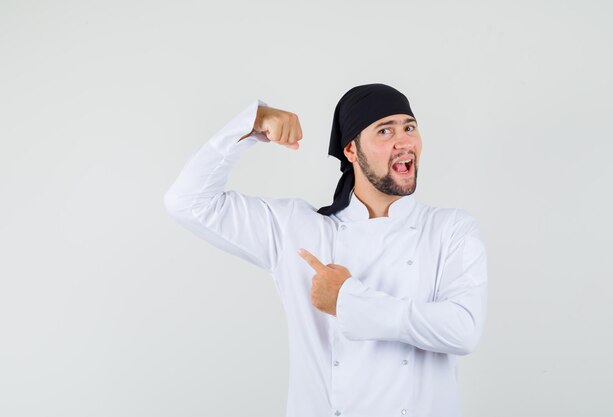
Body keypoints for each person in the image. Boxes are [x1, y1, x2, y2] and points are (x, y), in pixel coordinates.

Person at [163, 83, 488, 417]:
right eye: (384, 130)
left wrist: (348, 300)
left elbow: (463, 330)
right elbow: (187, 202)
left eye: (409, 127)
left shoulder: (449, 229)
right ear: (351, 150)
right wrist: (250, 124)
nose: (403, 141)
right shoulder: (297, 229)